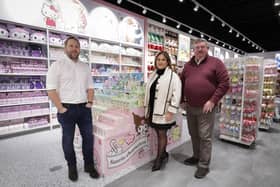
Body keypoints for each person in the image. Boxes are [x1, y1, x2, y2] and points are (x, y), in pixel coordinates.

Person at [46, 36, 99, 181]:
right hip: (67, 109)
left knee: (88, 138)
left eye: (77, 46)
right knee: (68, 140)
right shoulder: (57, 65)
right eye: (71, 46)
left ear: (79, 49)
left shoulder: (85, 66)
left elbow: (90, 87)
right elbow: (50, 89)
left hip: (84, 109)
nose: (74, 48)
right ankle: (72, 166)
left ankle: (89, 165)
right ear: (65, 48)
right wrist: (61, 108)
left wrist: (89, 102)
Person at [180, 39, 229, 178]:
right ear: (193, 50)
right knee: (193, 134)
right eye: (197, 47)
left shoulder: (216, 63)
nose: (199, 49)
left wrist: (213, 101)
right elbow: (182, 83)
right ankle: (196, 156)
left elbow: (225, 83)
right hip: (190, 107)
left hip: (206, 108)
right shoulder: (188, 65)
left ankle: (204, 165)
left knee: (205, 136)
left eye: (202, 47)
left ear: (207, 48)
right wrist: (182, 100)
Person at [144, 51, 182, 172]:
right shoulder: (153, 74)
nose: (160, 62)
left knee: (161, 134)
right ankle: (164, 153)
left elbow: (177, 95)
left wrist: (171, 110)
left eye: (163, 60)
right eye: (158, 59)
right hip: (153, 110)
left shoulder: (173, 76)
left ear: (167, 62)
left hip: (164, 112)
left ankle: (159, 159)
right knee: (158, 132)